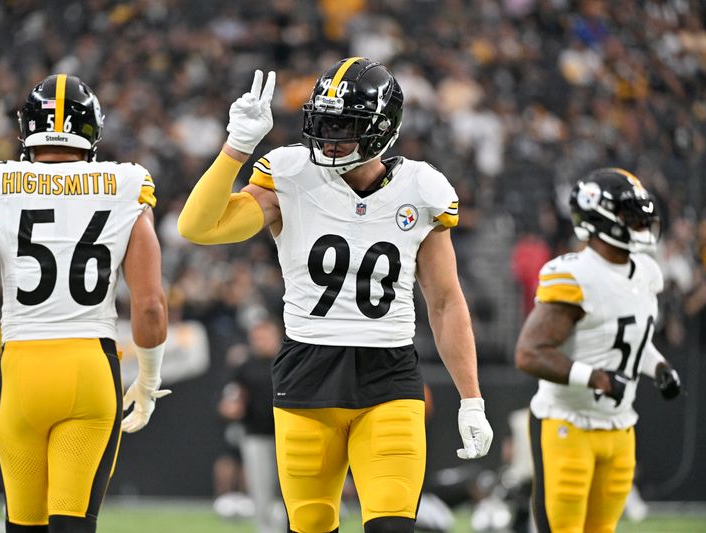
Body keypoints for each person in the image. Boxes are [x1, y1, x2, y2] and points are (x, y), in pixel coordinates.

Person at [178, 57, 493, 533]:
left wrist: (472, 398)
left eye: (344, 127)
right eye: (322, 123)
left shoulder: (421, 189)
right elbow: (198, 227)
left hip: (388, 376)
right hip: (308, 372)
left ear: (381, 130)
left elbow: (446, 302)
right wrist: (236, 148)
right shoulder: (290, 175)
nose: (328, 138)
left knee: (393, 526)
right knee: (310, 527)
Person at [0, 74, 170, 533]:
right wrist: (150, 378)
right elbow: (151, 304)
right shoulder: (126, 183)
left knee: (23, 527)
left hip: (21, 372)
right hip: (89, 370)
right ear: (92, 130)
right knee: (72, 526)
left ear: (27, 129)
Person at [514, 167, 682, 533]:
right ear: (598, 216)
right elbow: (530, 352)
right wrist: (597, 378)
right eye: (628, 214)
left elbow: (629, 338)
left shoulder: (647, 272)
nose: (640, 222)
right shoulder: (576, 273)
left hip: (620, 425)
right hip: (567, 422)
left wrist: (659, 367)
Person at [218, 318, 286, 533]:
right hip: (256, 434)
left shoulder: (289, 361)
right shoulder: (245, 366)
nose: (261, 341)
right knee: (260, 490)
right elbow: (230, 395)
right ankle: (265, 529)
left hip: (289, 434)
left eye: (265, 336)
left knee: (293, 491)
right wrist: (230, 406)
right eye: (257, 337)